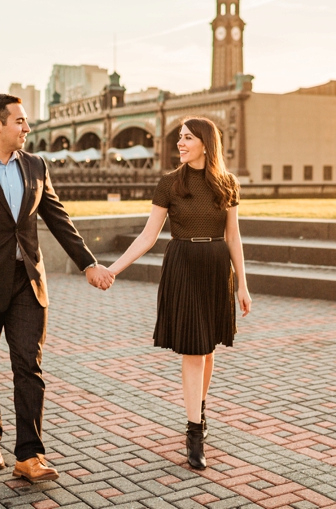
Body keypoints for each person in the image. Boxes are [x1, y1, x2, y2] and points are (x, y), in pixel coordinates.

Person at [0, 93, 114, 483]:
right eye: (21, 122)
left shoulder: (36, 165)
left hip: (27, 282)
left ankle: (29, 455)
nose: (27, 128)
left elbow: (57, 218)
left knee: (29, 365)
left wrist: (88, 263)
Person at [107, 116, 252, 470]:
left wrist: (243, 285)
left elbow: (233, 236)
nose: (181, 143)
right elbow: (147, 235)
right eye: (180, 138)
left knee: (208, 345)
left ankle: (198, 409)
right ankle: (194, 430)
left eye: (188, 138)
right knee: (194, 346)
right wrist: (113, 269)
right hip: (183, 263)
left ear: (206, 142)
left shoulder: (226, 183)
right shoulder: (170, 183)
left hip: (217, 266)